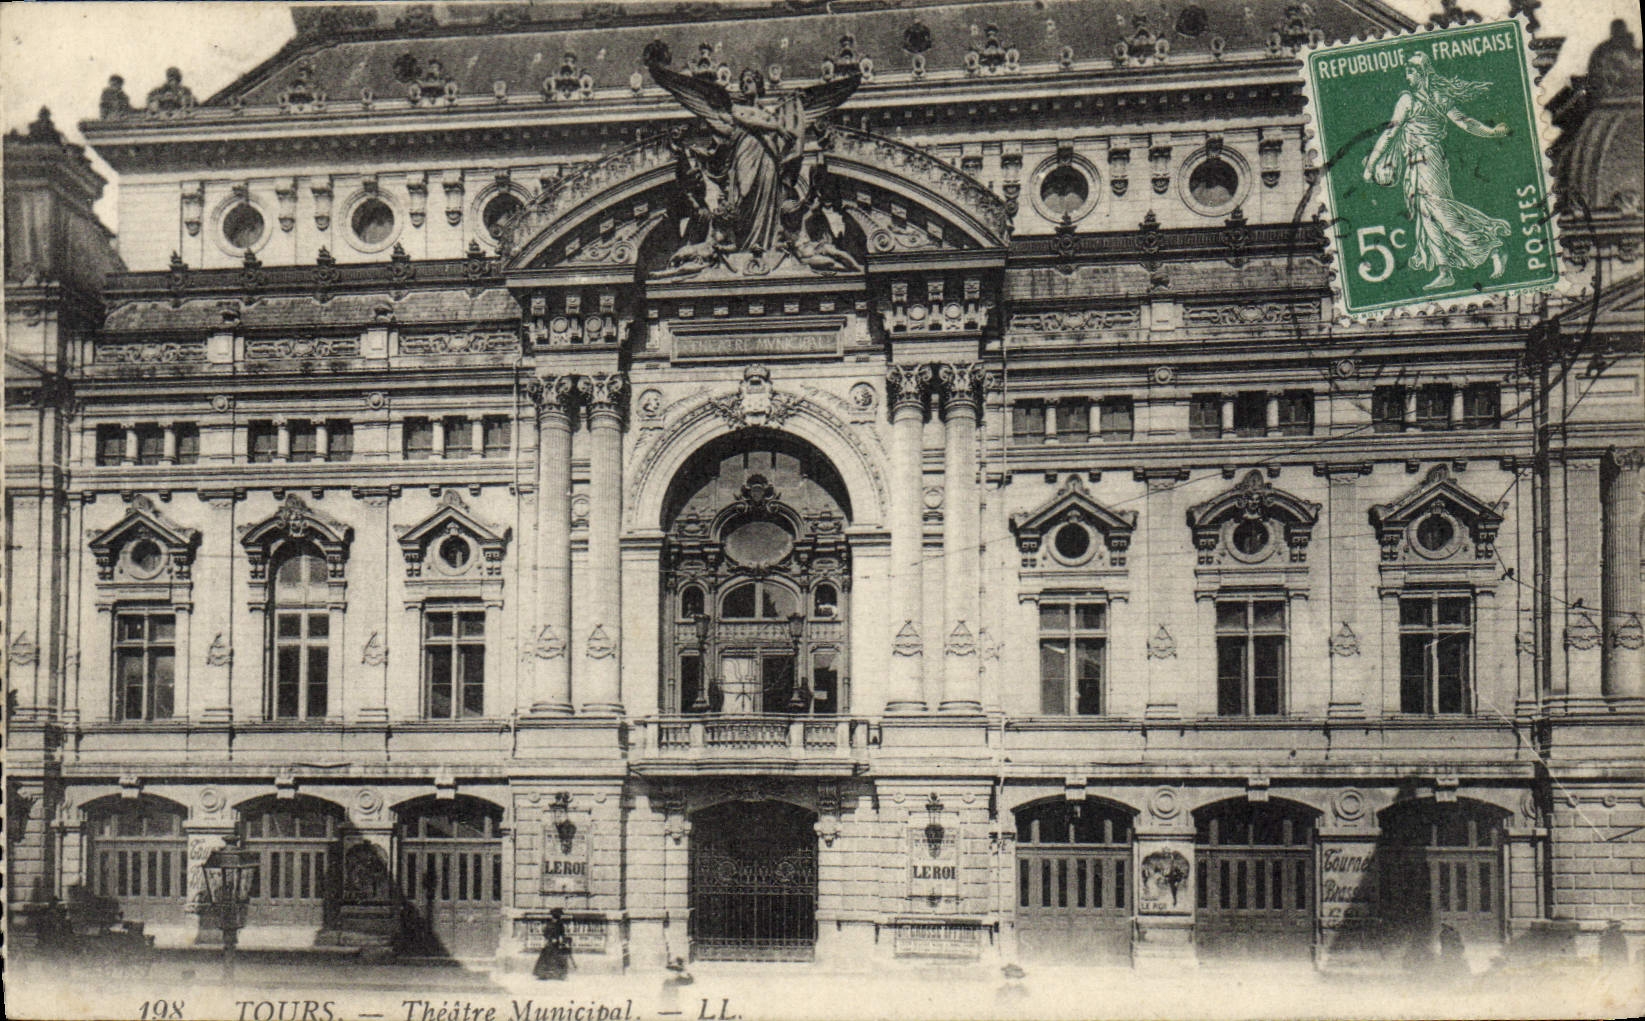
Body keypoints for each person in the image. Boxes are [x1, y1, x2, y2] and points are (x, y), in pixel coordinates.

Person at [1362, 51, 1512, 291]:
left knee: (1440, 210)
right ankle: (1445, 270)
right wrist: (1491, 132)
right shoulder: (1423, 99)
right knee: (1426, 214)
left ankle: (1492, 246)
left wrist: (1371, 165)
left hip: (1429, 159)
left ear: (1422, 73)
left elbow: (1464, 122)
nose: (1407, 76)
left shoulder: (1413, 101)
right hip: (1414, 163)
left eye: (1411, 71)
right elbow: (1394, 131)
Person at [533, 908, 572, 980]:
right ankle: (543, 975)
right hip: (550, 943)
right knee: (546, 958)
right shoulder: (550, 924)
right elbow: (545, 933)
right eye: (557, 916)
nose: (558, 917)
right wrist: (550, 938)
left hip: (556, 944)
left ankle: (558, 975)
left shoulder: (560, 924)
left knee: (557, 958)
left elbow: (562, 934)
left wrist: (560, 940)